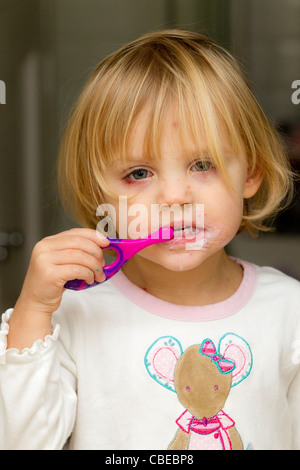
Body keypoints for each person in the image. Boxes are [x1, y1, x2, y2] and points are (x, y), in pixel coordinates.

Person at [0, 29, 299, 450]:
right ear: (99, 195)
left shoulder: (290, 311)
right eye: (138, 173)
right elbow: (21, 443)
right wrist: (32, 311)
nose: (175, 196)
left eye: (202, 163)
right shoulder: (72, 316)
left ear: (250, 173)